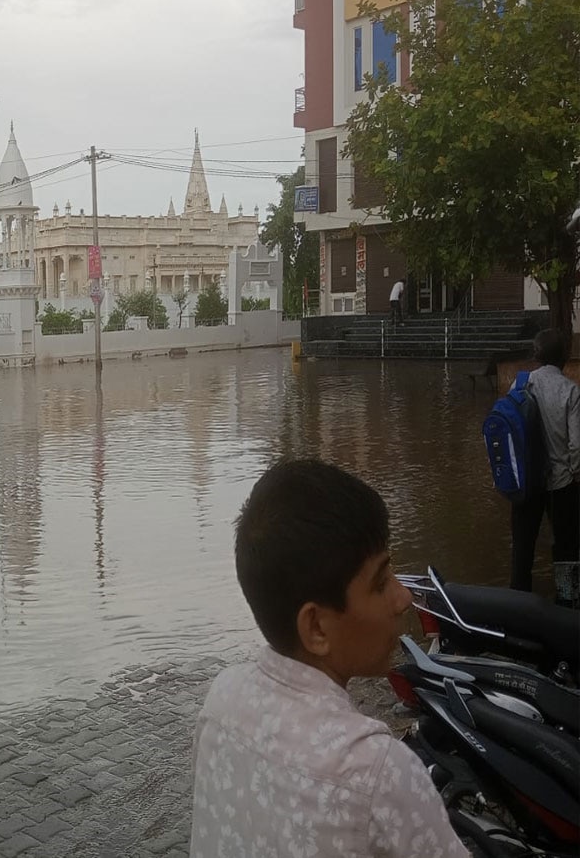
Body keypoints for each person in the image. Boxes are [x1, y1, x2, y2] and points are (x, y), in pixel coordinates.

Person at [190, 459, 469, 858]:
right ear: (316, 628)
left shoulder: (221, 700)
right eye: (380, 582)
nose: (403, 597)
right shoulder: (379, 771)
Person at [510, 328, 580, 607]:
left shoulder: (521, 383)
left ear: (537, 356)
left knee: (523, 545)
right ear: (563, 357)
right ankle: (566, 602)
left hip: (526, 482)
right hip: (561, 483)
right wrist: (575, 474)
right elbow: (576, 444)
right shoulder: (570, 390)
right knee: (566, 547)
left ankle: (517, 602)